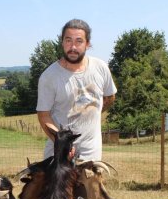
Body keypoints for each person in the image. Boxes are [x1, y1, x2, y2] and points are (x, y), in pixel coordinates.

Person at [36, 18, 117, 161]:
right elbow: (44, 116)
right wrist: (63, 144)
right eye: (68, 40)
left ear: (88, 44)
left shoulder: (100, 68)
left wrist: (91, 112)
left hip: (91, 156)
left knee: (91, 184)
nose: (73, 47)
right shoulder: (49, 77)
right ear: (62, 42)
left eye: (79, 41)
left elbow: (110, 97)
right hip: (58, 156)